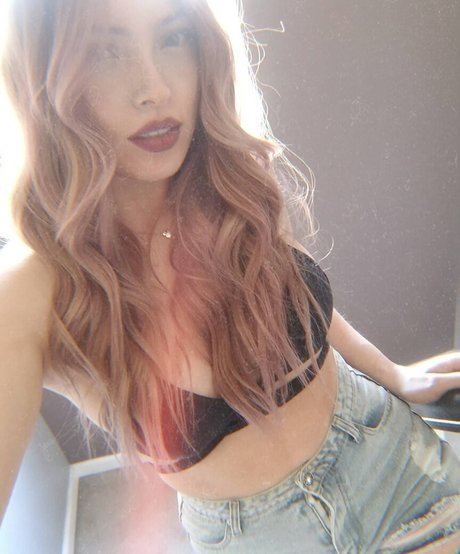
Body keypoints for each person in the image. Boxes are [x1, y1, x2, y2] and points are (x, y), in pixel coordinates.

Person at [0, 0, 459, 552]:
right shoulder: (36, 293)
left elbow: (294, 299)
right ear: (41, 81)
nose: (155, 89)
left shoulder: (224, 182)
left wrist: (393, 375)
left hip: (395, 462)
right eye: (104, 52)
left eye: (172, 38)